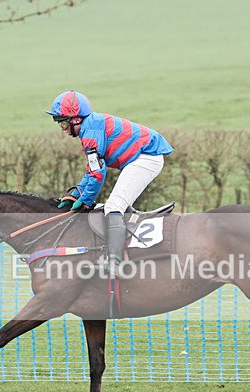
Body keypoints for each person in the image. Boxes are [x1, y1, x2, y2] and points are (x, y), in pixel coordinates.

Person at [47, 89, 173, 277]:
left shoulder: (90, 132)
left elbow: (98, 173)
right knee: (114, 204)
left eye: (63, 122)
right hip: (142, 157)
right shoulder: (90, 127)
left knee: (113, 206)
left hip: (146, 158)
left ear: (76, 119)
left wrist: (86, 201)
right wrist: (76, 194)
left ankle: (115, 264)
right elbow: (93, 170)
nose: (62, 128)